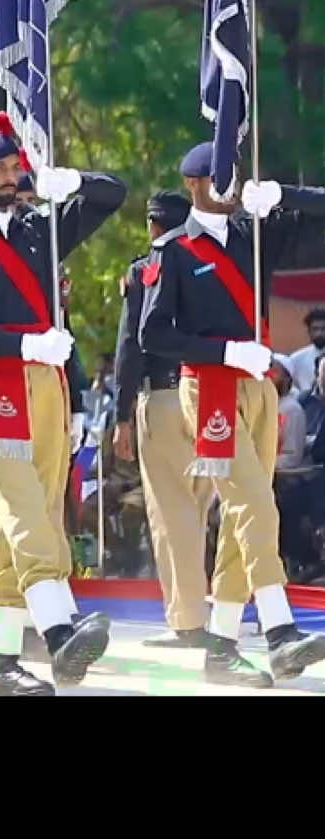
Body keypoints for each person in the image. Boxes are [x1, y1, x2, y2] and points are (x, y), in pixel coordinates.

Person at [0, 115, 127, 697]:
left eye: (15, 167)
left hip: (44, 381)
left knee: (29, 512)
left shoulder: (43, 229)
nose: (11, 177)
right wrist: (22, 342)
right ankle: (59, 626)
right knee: (20, 504)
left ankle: (2, 663)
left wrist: (69, 180)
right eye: (0, 168)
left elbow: (111, 196)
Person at [139, 143, 325, 684]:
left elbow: (319, 205)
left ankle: (220, 649)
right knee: (255, 508)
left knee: (248, 519)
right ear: (193, 183)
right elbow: (154, 334)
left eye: (235, 178)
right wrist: (221, 351)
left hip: (258, 388)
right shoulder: (173, 251)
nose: (230, 188)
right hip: (211, 388)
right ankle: (279, 629)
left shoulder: (253, 237)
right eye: (220, 179)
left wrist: (280, 194)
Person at [112, 190, 219, 649]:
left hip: (166, 395)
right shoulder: (216, 261)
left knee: (171, 513)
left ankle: (187, 621)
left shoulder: (148, 268)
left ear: (153, 225)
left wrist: (121, 417)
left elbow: (130, 345)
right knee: (203, 507)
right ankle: (220, 609)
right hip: (215, 394)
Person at [285, 307, 325, 398]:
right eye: (315, 329)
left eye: (323, 329)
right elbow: (289, 385)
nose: (319, 333)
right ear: (309, 331)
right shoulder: (296, 358)